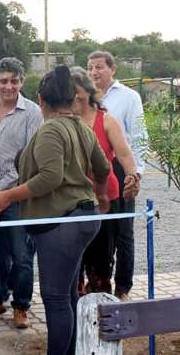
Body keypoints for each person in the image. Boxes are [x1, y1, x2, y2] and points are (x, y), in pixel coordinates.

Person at [0, 65, 110, 355]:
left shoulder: (51, 130)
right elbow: (103, 167)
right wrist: (101, 196)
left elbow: (50, 177)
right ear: (72, 99)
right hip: (84, 218)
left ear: (41, 100)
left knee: (55, 298)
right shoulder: (82, 127)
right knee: (67, 294)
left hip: (61, 223)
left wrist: (8, 195)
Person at [0, 57, 42, 328]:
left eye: (14, 81)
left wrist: (2, 187)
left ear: (21, 82)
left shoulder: (33, 112)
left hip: (15, 193)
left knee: (21, 253)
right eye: (3, 81)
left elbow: (30, 157)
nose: (8, 86)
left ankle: (21, 305)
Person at [71, 66, 139, 294]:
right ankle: (75, 307)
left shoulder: (106, 120)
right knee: (73, 257)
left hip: (104, 199)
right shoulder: (63, 121)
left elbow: (125, 155)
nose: (72, 96)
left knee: (101, 255)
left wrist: (132, 176)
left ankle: (100, 302)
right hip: (72, 199)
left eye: (76, 90)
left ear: (87, 92)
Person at [87, 50, 147, 301]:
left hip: (121, 167)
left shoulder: (129, 97)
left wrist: (135, 175)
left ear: (113, 69)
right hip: (94, 170)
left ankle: (123, 287)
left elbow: (139, 137)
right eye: (90, 67)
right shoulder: (85, 97)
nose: (94, 72)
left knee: (123, 231)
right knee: (99, 232)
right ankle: (99, 283)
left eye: (99, 67)